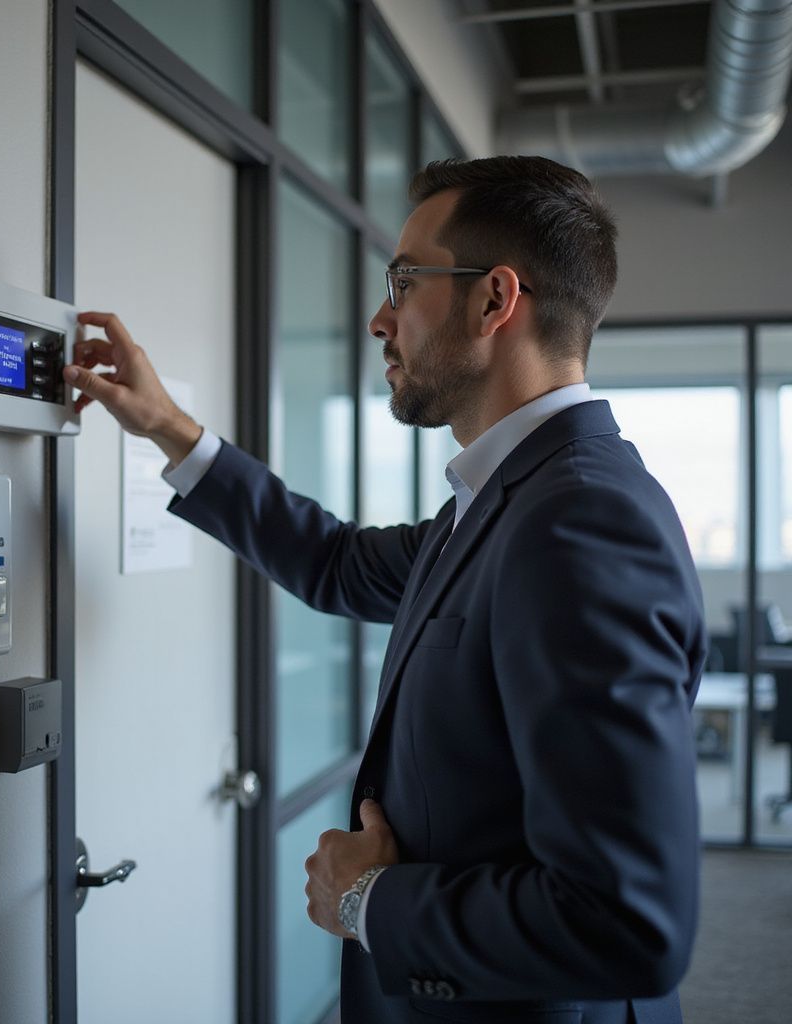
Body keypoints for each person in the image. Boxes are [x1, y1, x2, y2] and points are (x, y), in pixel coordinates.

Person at [62, 156, 705, 1024]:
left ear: (493, 301)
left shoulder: (579, 524)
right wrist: (168, 427)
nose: (379, 318)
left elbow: (629, 922)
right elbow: (334, 562)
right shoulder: (503, 501)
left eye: (403, 282)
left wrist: (366, 902)